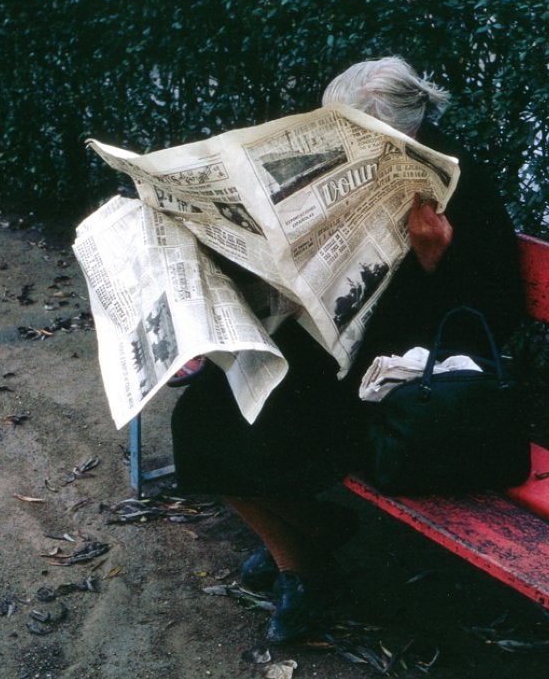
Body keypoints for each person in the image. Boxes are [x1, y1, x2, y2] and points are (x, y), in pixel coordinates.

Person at [170, 56, 524, 642]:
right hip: (327, 347)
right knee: (202, 413)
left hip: (397, 373)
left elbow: (495, 315)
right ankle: (311, 532)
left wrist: (439, 260)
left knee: (272, 429)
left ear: (409, 133)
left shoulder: (462, 183)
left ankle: (302, 569)